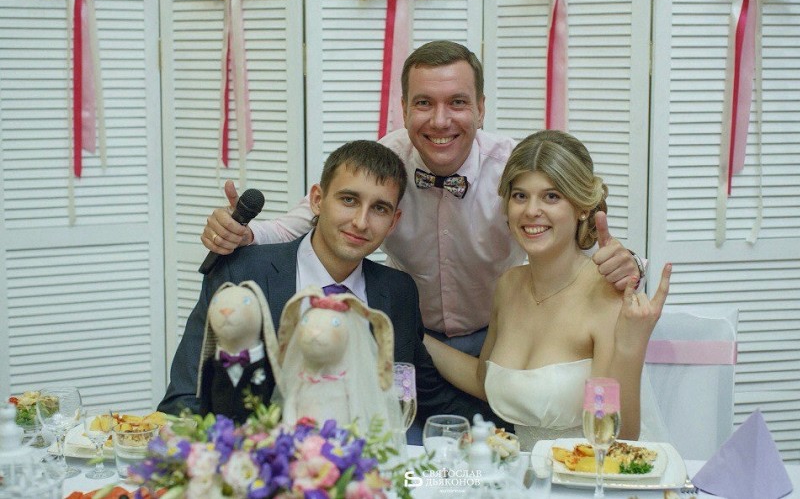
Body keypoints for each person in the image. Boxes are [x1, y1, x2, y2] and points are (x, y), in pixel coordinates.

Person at [200, 41, 643, 355]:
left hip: (502, 339)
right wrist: (244, 234)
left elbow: (576, 235)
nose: (440, 120)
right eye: (424, 103)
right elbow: (304, 221)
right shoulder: (386, 162)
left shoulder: (514, 168)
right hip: (408, 338)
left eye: (457, 103)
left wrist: (631, 266)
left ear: (481, 108)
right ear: (404, 108)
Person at [158, 140, 489, 437]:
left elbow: (424, 392)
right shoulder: (243, 272)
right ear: (317, 200)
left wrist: (501, 429)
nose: (361, 222)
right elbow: (187, 394)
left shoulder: (397, 290)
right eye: (349, 200)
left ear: (393, 221)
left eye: (379, 208)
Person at [423, 130, 671, 451]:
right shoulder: (508, 285)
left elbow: (619, 435)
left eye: (551, 197)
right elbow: (484, 381)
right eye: (520, 196)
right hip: (525, 472)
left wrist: (631, 346)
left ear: (582, 208)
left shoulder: (608, 293)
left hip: (593, 468)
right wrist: (409, 331)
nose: (531, 211)